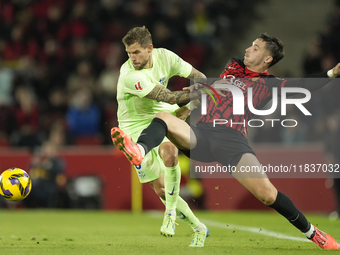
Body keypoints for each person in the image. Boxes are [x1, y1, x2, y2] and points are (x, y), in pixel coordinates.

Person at [111, 33, 340, 249]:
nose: (248, 48)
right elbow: (214, 89)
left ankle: (313, 233)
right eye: (250, 44)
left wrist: (331, 73)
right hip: (202, 134)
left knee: (267, 194)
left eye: (255, 47)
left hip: (232, 142)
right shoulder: (234, 65)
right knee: (163, 117)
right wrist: (187, 108)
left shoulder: (269, 83)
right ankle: (139, 149)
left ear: (268, 58)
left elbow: (302, 85)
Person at [112, 26, 209, 247]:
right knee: (161, 189)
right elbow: (171, 96)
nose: (132, 58)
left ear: (150, 48)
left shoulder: (166, 57)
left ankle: (170, 213)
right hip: (133, 128)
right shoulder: (130, 76)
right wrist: (192, 95)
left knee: (170, 155)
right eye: (128, 53)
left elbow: (201, 78)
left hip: (161, 117)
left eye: (136, 52)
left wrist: (190, 107)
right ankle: (199, 227)